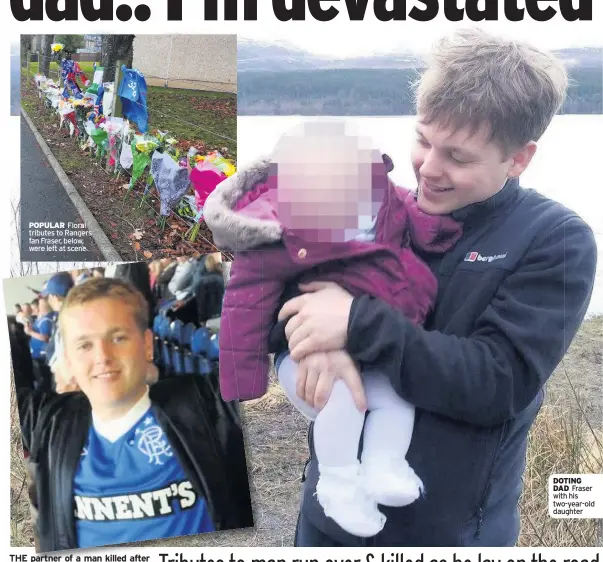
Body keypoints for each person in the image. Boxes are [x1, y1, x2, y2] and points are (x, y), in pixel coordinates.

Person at [237, 29, 598, 546]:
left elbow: (498, 383)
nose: (429, 168)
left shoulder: (555, 240)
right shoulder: (380, 209)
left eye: (458, 157)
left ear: (519, 158)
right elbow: (275, 290)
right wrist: (310, 344)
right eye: (423, 139)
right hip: (327, 520)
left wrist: (356, 323)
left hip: (448, 532)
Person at [204, 122, 465, 537]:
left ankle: (384, 464)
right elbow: (244, 306)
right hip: (304, 352)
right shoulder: (275, 237)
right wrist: (243, 382)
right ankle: (338, 482)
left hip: (363, 346)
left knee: (396, 397)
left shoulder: (382, 202)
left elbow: (413, 214)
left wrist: (442, 231)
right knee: (343, 399)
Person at [17, 277, 253, 552]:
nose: (102, 356)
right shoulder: (48, 424)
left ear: (147, 345)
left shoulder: (208, 406)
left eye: (117, 338)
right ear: (68, 358)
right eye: (84, 345)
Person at [23, 296, 55, 392]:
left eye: (40, 304)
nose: (37, 308)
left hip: (42, 358)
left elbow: (46, 338)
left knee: (44, 382)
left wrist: (30, 332)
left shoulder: (46, 320)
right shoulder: (41, 319)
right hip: (37, 357)